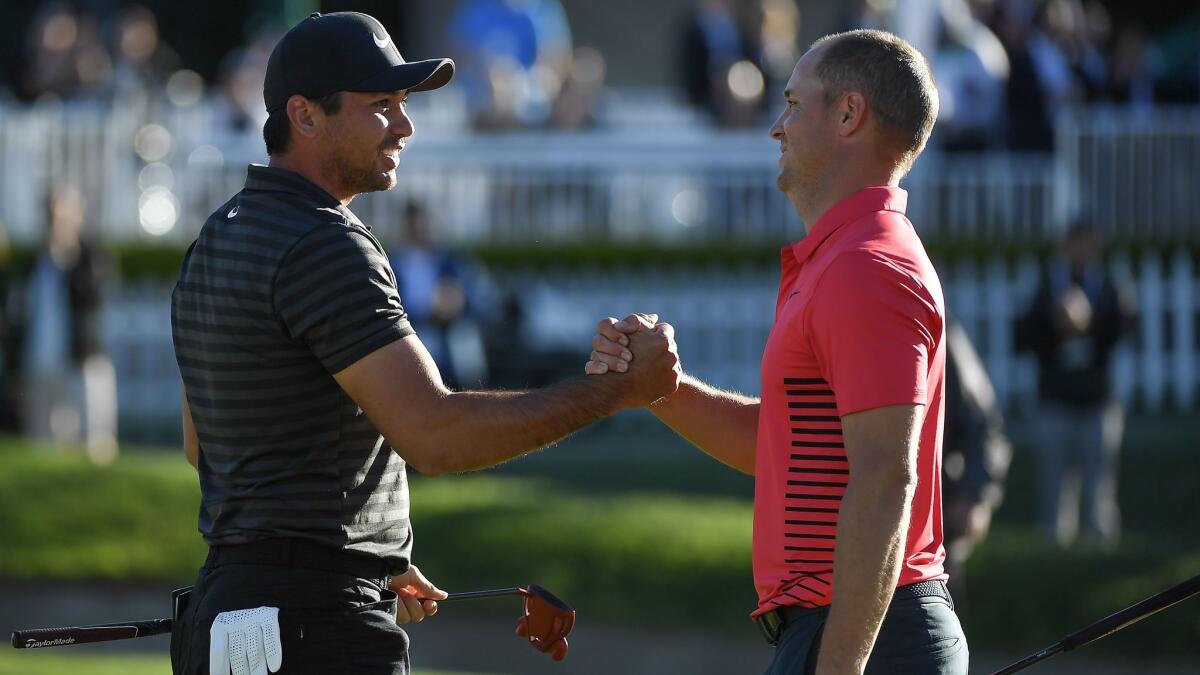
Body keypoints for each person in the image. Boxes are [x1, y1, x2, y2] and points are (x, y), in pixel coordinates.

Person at [168, 12, 679, 675]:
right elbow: (435, 434)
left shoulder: (218, 235)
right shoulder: (326, 242)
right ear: (305, 116)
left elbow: (200, 442)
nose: (405, 127)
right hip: (312, 629)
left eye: (403, 104)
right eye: (381, 106)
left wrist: (362, 546)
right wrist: (615, 389)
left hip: (228, 618)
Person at [589, 29, 968, 674]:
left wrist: (840, 667)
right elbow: (782, 444)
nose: (776, 126)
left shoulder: (866, 265)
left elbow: (885, 477)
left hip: (867, 637)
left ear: (849, 115)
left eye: (794, 103)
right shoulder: (843, 259)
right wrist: (658, 387)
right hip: (850, 631)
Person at [1015, 221, 1135, 548]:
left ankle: (1099, 550)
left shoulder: (1109, 284)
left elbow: (1123, 330)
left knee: (1099, 484)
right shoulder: (1045, 284)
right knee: (1055, 485)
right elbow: (1023, 337)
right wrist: (1055, 321)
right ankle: (1056, 552)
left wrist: (1091, 321)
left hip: (1096, 399)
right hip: (1056, 399)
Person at [21, 184, 117, 463]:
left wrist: (69, 250)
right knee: (44, 440)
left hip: (82, 358)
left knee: (94, 441)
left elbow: (94, 292)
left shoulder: (90, 257)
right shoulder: (35, 260)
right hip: (42, 361)